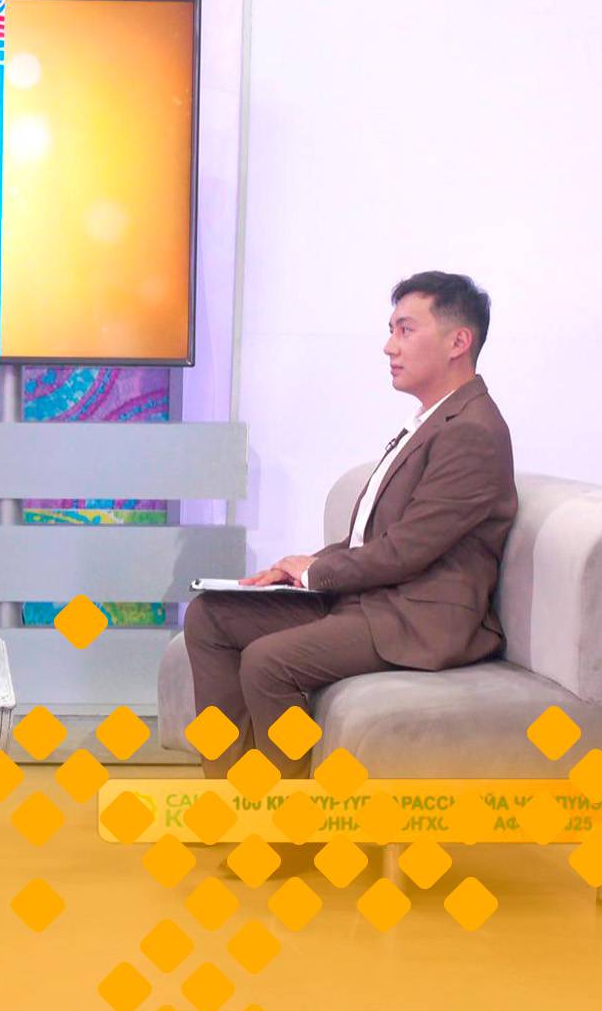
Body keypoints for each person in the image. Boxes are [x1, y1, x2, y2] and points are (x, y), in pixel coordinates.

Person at [183, 271, 517, 780]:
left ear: (458, 342)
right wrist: (301, 568)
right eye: (391, 330)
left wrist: (316, 574)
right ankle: (230, 789)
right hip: (373, 600)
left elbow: (407, 549)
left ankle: (286, 811)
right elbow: (373, 537)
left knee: (269, 661)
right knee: (211, 617)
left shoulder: (473, 431)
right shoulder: (430, 421)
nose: (389, 346)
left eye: (406, 330)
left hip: (417, 619)